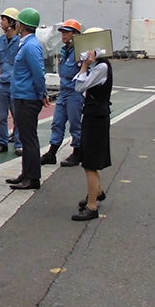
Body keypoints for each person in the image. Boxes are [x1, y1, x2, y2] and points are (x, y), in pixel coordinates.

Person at [71, 29, 112, 221]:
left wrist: (85, 65)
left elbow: (80, 86)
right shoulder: (99, 66)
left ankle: (92, 205)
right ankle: (98, 191)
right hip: (93, 115)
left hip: (96, 117)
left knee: (89, 163)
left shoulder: (101, 67)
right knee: (89, 158)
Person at [6, 8, 48, 190]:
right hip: (21, 96)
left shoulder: (30, 46)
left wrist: (41, 93)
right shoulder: (25, 43)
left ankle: (33, 177)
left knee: (29, 139)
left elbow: (39, 73)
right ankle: (26, 173)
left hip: (27, 98)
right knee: (24, 136)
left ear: (21, 25)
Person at [42, 19, 84, 167]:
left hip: (75, 93)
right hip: (64, 92)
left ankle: (77, 154)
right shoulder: (65, 51)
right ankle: (52, 153)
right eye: (63, 32)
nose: (63, 35)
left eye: (67, 32)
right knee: (57, 123)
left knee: (75, 125)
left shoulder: (80, 52)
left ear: (76, 34)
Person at [0, 8, 22, 155]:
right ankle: (2, 142)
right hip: (2, 84)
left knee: (18, 115)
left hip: (16, 85)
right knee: (1, 116)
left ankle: (19, 143)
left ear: (12, 22)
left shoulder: (20, 42)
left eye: (4, 19)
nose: (1, 22)